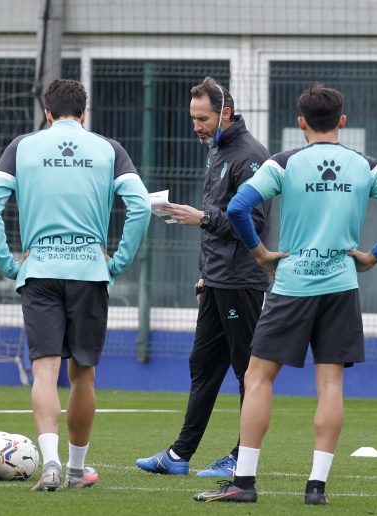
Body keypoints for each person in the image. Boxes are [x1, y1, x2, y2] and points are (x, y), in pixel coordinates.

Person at [194, 83, 377, 505]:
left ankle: (243, 483)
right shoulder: (367, 166)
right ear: (342, 122)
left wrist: (261, 253)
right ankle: (316, 488)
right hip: (340, 285)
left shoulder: (284, 163)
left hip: (293, 284)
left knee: (258, 378)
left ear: (300, 123)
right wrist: (372, 256)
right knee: (330, 384)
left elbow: (240, 208)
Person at [0, 78, 150, 492]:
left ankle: (50, 462)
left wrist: (8, 263)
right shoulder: (108, 149)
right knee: (83, 375)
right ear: (84, 114)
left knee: (44, 371)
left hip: (39, 270)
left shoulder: (23, 146)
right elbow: (141, 205)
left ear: (48, 113)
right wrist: (119, 260)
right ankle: (75, 469)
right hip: (90, 269)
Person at [135, 77, 271, 478]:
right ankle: (179, 456)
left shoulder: (249, 156)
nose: (197, 126)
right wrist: (203, 277)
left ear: (225, 113)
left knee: (248, 371)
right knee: (203, 364)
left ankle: (240, 460)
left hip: (241, 282)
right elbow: (216, 222)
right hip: (216, 281)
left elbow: (255, 223)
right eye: (193, 118)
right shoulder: (217, 152)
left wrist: (203, 218)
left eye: (203, 118)